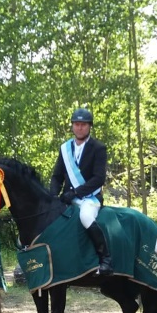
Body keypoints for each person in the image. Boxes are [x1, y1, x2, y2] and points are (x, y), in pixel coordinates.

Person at [49, 107, 113, 276]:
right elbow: (57, 176)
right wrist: (53, 196)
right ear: (72, 126)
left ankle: (105, 259)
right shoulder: (65, 149)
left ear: (89, 126)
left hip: (90, 198)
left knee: (85, 217)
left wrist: (76, 193)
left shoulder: (98, 148)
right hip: (68, 198)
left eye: (83, 125)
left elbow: (98, 178)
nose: (79, 128)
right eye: (76, 124)